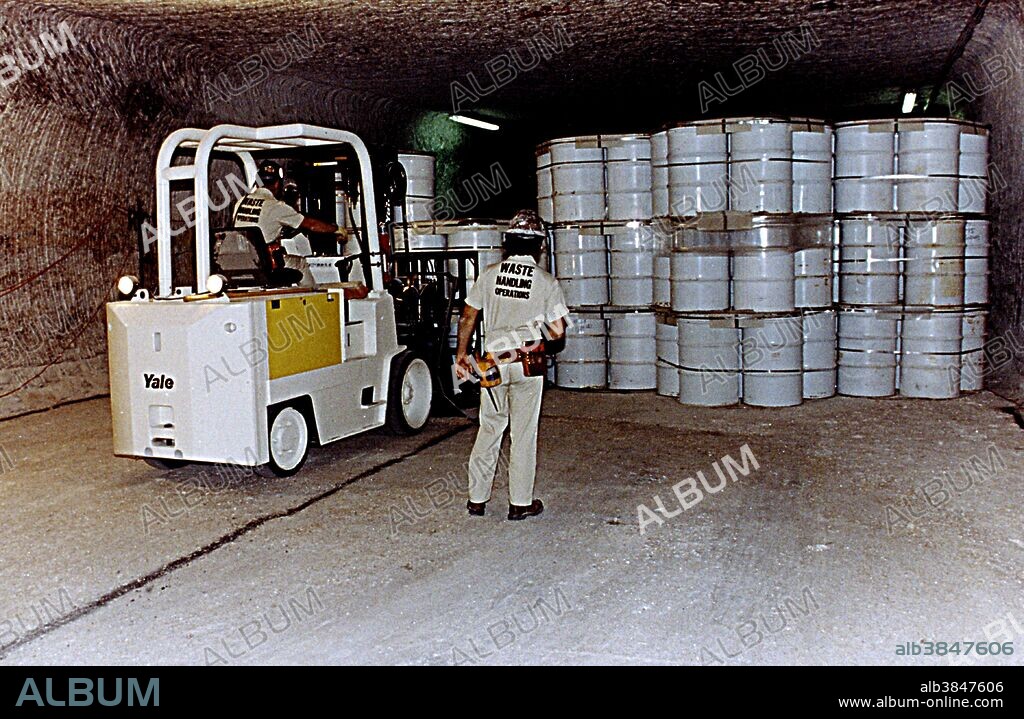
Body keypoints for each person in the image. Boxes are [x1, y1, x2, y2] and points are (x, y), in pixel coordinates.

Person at [455, 209, 568, 521]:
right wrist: (535, 336)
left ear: (507, 243)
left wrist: (462, 354)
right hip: (527, 364)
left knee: (490, 428)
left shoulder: (489, 274)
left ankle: (477, 499)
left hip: (492, 364)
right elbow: (558, 331)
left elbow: (468, 315)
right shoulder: (546, 282)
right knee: (523, 433)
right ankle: (520, 503)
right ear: (539, 246)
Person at [232, 160, 343, 287]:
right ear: (277, 184)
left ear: (258, 182)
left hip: (242, 261)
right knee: (300, 263)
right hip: (265, 264)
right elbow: (311, 224)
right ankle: (312, 294)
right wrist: (337, 229)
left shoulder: (241, 201)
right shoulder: (276, 206)